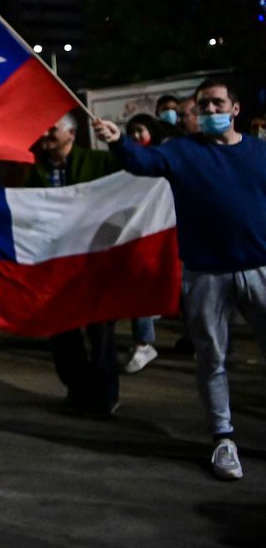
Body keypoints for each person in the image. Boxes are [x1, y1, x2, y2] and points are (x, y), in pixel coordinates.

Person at [95, 78, 266, 480]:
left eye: (217, 104)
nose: (209, 111)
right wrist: (118, 141)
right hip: (206, 275)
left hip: (260, 268)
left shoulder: (260, 153)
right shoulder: (182, 152)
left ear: (235, 108)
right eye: (203, 105)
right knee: (212, 359)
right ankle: (223, 438)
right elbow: (141, 162)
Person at [27, 112, 122, 417]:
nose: (45, 134)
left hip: (95, 262)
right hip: (55, 264)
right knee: (63, 332)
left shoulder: (98, 162)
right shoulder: (34, 171)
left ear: (71, 132)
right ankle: (77, 390)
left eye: (52, 128)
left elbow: (131, 183)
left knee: (101, 332)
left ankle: (106, 395)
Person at [122, 114, 166, 374]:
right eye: (132, 132)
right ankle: (143, 343)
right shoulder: (126, 163)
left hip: (167, 233)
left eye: (141, 131)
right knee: (139, 288)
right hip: (141, 235)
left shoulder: (162, 158)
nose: (137, 137)